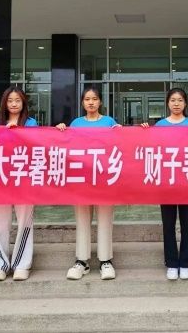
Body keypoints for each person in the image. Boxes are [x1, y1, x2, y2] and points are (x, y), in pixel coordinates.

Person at [56, 87, 120, 281]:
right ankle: (81, 261)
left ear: (100, 102)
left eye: (94, 99)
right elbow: (67, 147)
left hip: (104, 178)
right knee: (82, 219)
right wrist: (61, 131)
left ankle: (105, 261)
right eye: (87, 99)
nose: (91, 102)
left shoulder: (109, 122)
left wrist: (122, 132)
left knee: (105, 219)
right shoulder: (76, 123)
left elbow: (119, 145)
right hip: (82, 179)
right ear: (83, 103)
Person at [142, 88, 188, 280]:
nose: (176, 104)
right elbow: (151, 148)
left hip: (187, 180)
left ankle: (186, 263)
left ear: (185, 103)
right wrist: (144, 132)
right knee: (168, 224)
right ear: (167, 103)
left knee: (187, 224)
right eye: (173, 100)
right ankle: (172, 263)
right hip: (166, 181)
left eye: (180, 100)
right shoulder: (160, 125)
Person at [0, 86, 38, 281]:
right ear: (4, 103)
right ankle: (0, 264)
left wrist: (18, 132)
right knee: (0, 223)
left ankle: (21, 264)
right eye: (10, 100)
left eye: (17, 100)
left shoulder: (31, 123)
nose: (14, 104)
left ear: (23, 102)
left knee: (25, 221)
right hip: (1, 178)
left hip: (25, 178)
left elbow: (35, 146)